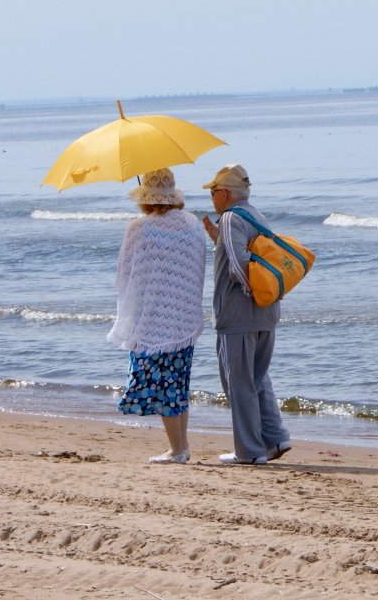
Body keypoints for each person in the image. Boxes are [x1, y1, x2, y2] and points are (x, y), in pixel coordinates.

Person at [107, 168, 206, 464]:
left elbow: (124, 275)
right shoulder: (191, 224)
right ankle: (181, 446)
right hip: (184, 316)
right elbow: (198, 266)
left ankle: (177, 450)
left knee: (163, 386)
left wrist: (129, 306)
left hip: (152, 319)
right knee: (178, 382)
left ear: (145, 197)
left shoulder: (138, 228)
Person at [202, 164, 291, 465]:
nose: (212, 198)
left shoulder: (229, 217)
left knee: (237, 382)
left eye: (213, 192)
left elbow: (239, 265)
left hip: (238, 313)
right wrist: (218, 239)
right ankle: (275, 438)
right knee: (257, 377)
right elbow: (249, 255)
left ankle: (250, 452)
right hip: (267, 311)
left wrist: (249, 292)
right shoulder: (255, 215)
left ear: (224, 194)